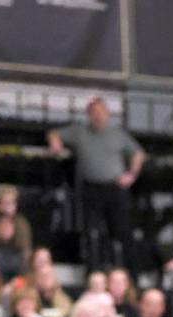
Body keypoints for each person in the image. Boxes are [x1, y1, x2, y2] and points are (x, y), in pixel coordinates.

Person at [48, 97, 145, 274]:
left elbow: (138, 153)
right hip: (90, 188)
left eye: (101, 112)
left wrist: (131, 174)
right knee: (91, 232)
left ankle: (131, 274)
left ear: (107, 113)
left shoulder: (117, 134)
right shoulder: (79, 131)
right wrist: (56, 144)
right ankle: (93, 272)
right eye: (94, 112)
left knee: (122, 231)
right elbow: (54, 133)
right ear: (88, 115)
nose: (98, 116)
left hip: (114, 188)